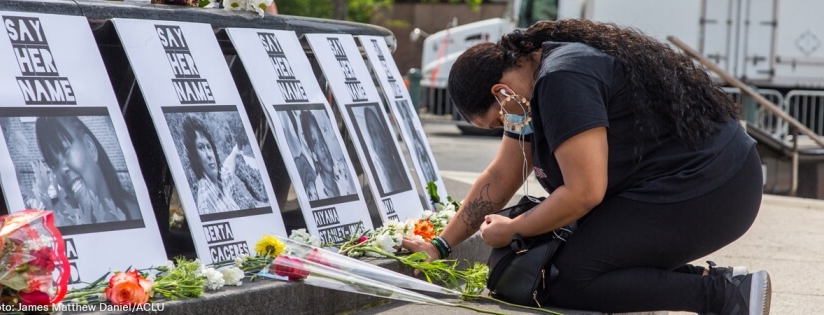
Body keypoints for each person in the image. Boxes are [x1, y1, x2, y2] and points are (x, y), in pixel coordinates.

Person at [402, 20, 769, 315]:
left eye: (498, 122)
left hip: (715, 186)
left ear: (501, 93)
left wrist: (514, 228)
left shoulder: (562, 80)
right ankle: (717, 280)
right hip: (687, 184)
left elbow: (584, 192)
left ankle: (724, 295)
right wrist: (440, 245)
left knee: (570, 278)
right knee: (559, 266)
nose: (506, 128)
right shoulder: (527, 93)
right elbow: (501, 176)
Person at [34, 116, 141, 226]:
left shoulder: (137, 212)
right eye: (54, 164)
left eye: (65, 150)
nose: (61, 170)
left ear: (90, 147)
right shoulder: (55, 223)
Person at [182, 116, 263, 214]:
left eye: (209, 146)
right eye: (201, 147)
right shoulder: (206, 203)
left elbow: (228, 171)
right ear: (196, 157)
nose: (209, 154)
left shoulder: (219, 183)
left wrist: (235, 152)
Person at [300, 110, 353, 199]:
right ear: (313, 155)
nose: (322, 148)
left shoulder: (344, 179)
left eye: (321, 138)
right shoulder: (317, 193)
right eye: (315, 142)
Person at [363, 107, 410, 194]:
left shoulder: (398, 168)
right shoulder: (378, 173)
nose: (381, 141)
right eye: (374, 134)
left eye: (381, 133)